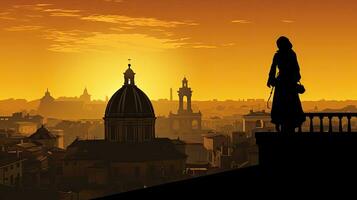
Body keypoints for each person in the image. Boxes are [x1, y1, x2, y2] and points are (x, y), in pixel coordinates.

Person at [267, 36, 306, 133]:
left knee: (282, 105)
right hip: (289, 84)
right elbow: (296, 69)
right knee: (290, 105)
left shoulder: (279, 55)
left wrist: (271, 79)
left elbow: (273, 68)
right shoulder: (291, 54)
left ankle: (282, 124)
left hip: (282, 84)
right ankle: (287, 124)